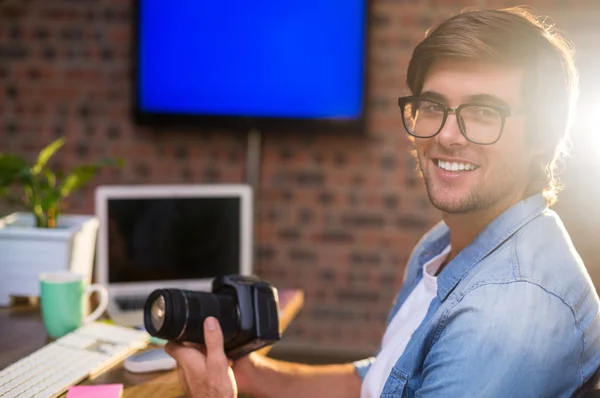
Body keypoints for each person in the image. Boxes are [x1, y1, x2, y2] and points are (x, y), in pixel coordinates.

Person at [165, 6, 600, 397]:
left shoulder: (503, 317)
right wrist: (255, 376)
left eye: (484, 113)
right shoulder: (447, 243)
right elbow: (387, 378)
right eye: (432, 106)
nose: (447, 135)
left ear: (543, 140)